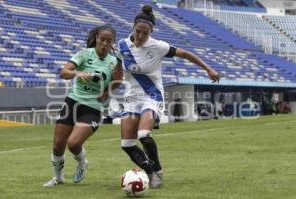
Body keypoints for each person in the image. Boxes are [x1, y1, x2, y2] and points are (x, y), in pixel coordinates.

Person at [117, 5, 220, 188]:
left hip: (152, 96)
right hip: (131, 98)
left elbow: (186, 54)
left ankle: (157, 172)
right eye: (138, 31)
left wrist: (208, 69)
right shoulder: (121, 46)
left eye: (145, 33)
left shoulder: (158, 46)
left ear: (151, 32)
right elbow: (117, 72)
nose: (140, 36)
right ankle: (147, 170)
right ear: (133, 27)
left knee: (144, 134)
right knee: (126, 144)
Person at [43, 24, 122, 186]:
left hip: (93, 107)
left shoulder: (115, 62)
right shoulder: (85, 54)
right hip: (73, 102)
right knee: (58, 145)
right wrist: (77, 72)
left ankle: (82, 162)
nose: (105, 44)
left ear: (113, 42)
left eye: (109, 41)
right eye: (102, 39)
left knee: (73, 143)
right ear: (96, 39)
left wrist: (107, 91)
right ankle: (58, 178)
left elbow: (118, 81)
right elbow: (64, 73)